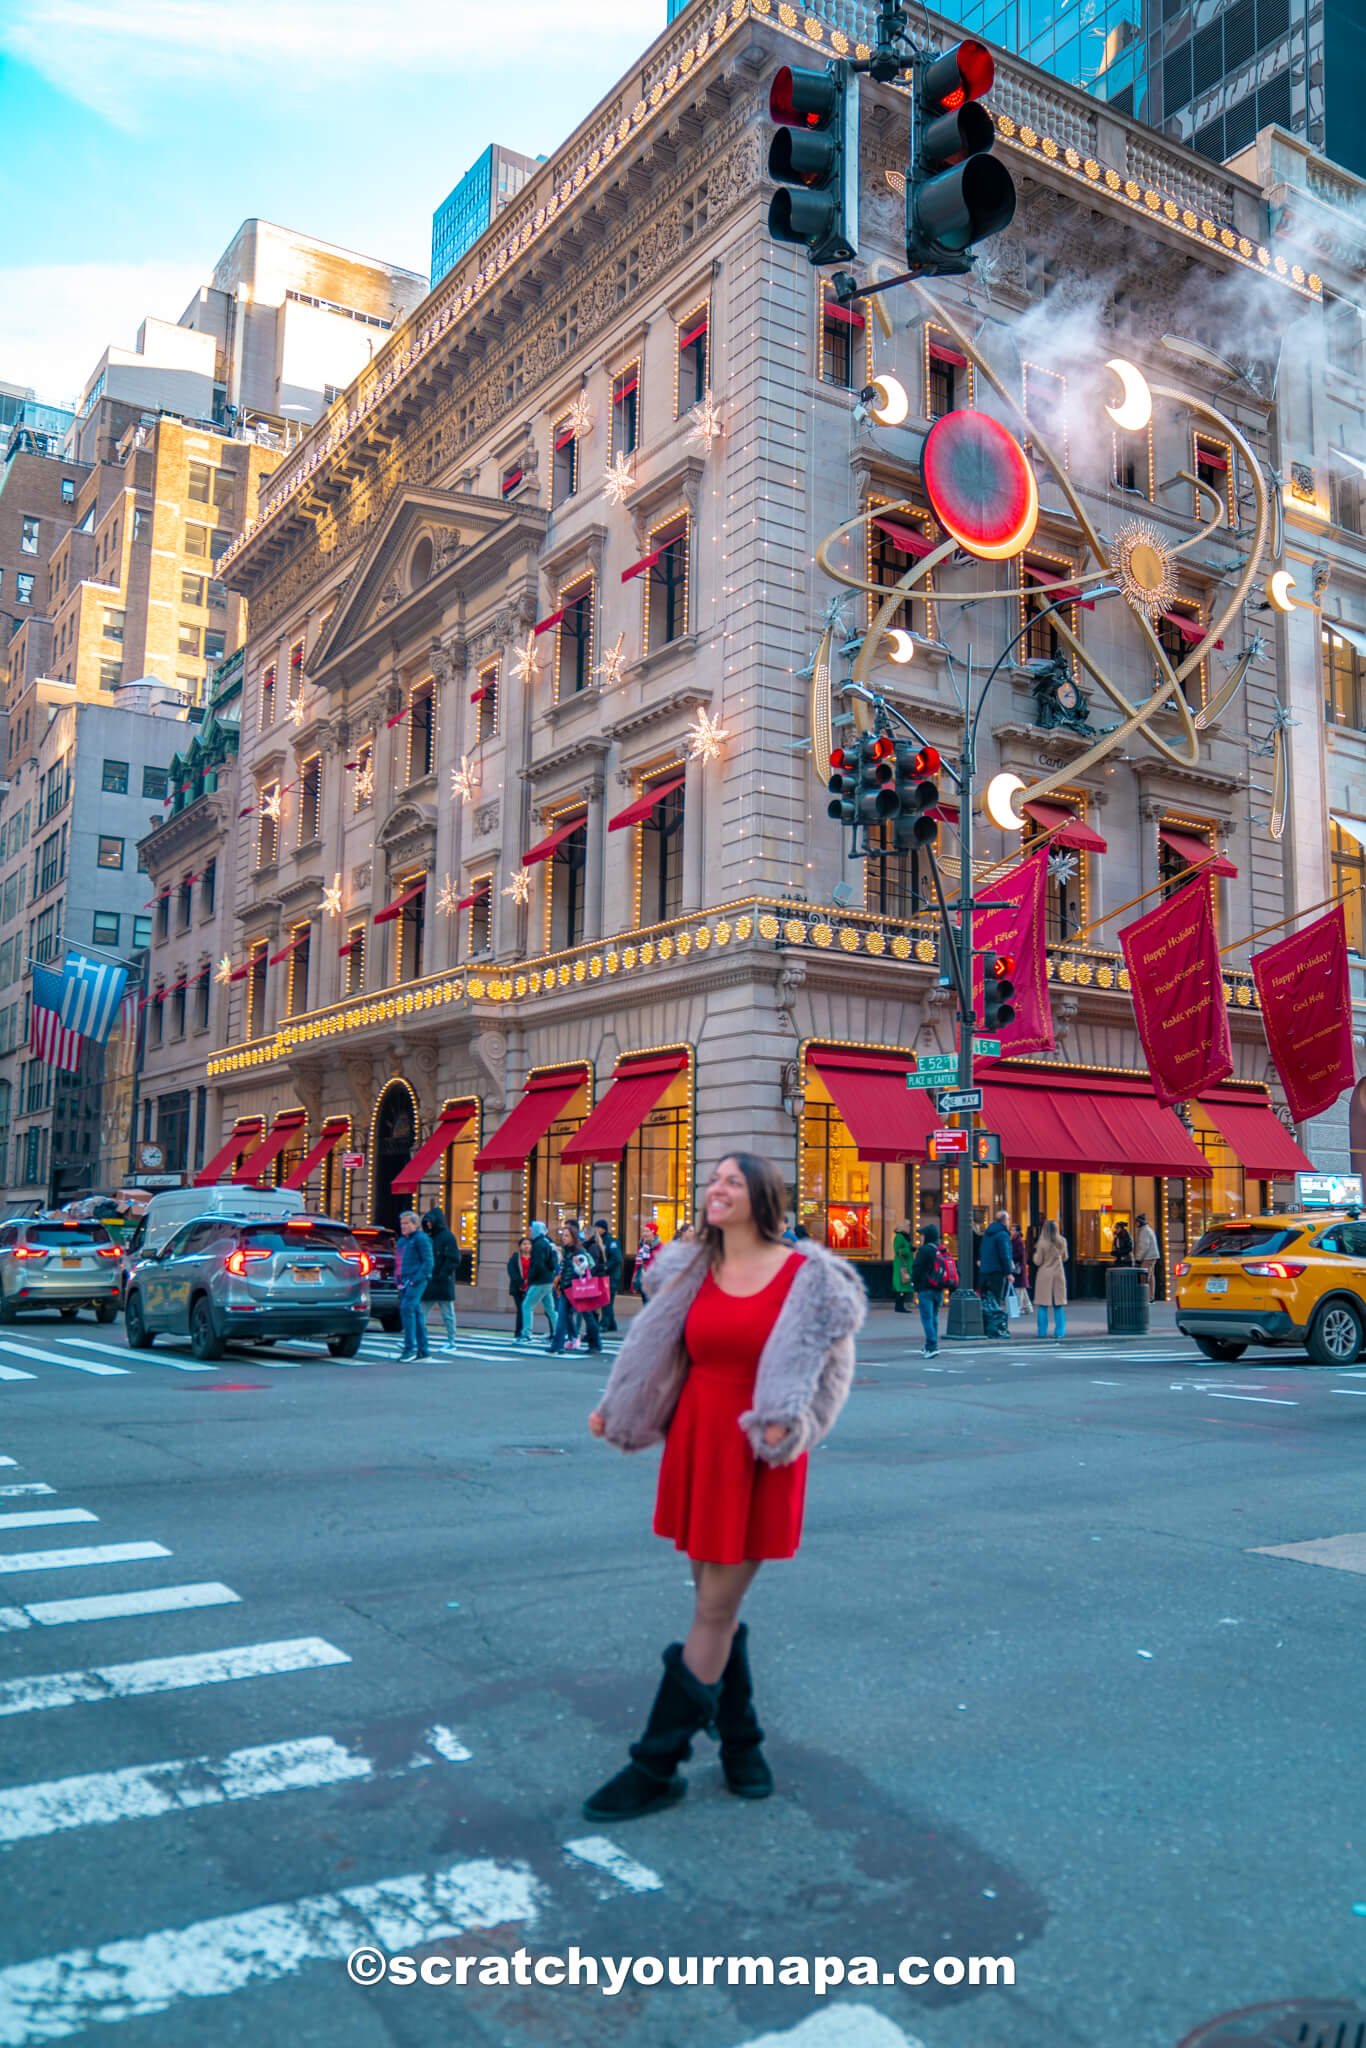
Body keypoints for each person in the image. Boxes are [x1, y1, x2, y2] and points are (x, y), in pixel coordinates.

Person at [584, 1151, 866, 1821]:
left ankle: (655, 1763)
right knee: (713, 1600)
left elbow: (831, 1379)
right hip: (696, 1440)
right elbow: (657, 1350)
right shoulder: (690, 1270)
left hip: (756, 1449)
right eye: (713, 1180)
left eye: (732, 1182)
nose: (717, 1189)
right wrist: (620, 1406)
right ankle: (742, 1744)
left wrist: (794, 1432)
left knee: (712, 1608)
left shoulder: (809, 1278)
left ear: (761, 1198)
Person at [549, 1221, 605, 1355]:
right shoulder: (567, 1250)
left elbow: (584, 1268)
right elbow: (564, 1269)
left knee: (588, 1317)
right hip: (567, 1288)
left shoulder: (578, 1251)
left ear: (573, 1237)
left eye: (567, 1236)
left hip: (578, 1289)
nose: (564, 1238)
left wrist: (576, 1269)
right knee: (562, 1316)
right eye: (563, 1235)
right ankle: (557, 1345)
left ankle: (595, 1344)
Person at [395, 1211, 433, 1361]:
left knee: (407, 1308)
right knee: (416, 1313)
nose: (403, 1227)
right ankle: (423, 1350)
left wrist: (415, 1280)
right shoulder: (402, 1241)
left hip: (415, 1280)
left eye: (406, 1223)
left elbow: (428, 1262)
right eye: (402, 1224)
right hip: (404, 1281)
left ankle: (409, 1348)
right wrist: (397, 1280)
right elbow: (398, 1261)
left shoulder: (421, 1239)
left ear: (415, 1224)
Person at [422, 1207, 461, 1352]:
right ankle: (415, 1339)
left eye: (430, 1222)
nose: (428, 1225)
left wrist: (443, 1273)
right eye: (427, 1222)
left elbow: (454, 1258)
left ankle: (452, 1341)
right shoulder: (429, 1237)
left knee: (447, 1313)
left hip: (442, 1280)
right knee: (422, 1312)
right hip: (433, 1280)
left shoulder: (447, 1237)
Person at [910, 1222, 947, 1356]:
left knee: (926, 1318)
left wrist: (914, 1283)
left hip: (926, 1288)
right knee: (934, 1318)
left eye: (922, 1235)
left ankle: (931, 1346)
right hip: (939, 1288)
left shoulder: (925, 1250)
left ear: (928, 1236)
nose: (920, 1238)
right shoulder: (941, 1249)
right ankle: (930, 1344)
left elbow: (917, 1268)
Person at [979, 1209, 1014, 1338]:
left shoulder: (988, 1234)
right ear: (1004, 1220)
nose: (1009, 1222)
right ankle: (995, 1328)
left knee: (986, 1301)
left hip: (985, 1271)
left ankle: (986, 1326)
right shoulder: (1002, 1235)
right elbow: (1004, 1255)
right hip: (997, 1272)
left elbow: (982, 1250)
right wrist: (1009, 1272)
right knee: (996, 1301)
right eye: (1008, 1219)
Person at [1031, 1218, 1068, 1338]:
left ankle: (1042, 1332)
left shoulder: (1042, 1243)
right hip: (1058, 1273)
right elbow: (1065, 1257)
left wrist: (1034, 1255)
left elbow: (1038, 1261)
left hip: (1044, 1274)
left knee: (1043, 1304)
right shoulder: (1062, 1241)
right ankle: (1060, 1332)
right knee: (1058, 1305)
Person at [593, 1219, 623, 1333]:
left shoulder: (611, 1242)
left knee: (606, 1301)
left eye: (597, 1228)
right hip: (606, 1276)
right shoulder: (600, 1241)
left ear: (602, 1229)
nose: (596, 1230)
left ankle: (605, 1324)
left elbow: (617, 1258)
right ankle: (611, 1324)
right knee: (607, 1301)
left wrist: (605, 1267)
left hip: (611, 1276)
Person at [508, 1236, 532, 1341]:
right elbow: (511, 1271)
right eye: (524, 1244)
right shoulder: (515, 1257)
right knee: (521, 1309)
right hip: (517, 1287)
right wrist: (520, 1283)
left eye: (528, 1244)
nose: (526, 1246)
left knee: (526, 1309)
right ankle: (519, 1332)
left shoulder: (534, 1258)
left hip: (530, 1287)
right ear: (520, 1246)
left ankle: (525, 1331)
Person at [632, 1223, 662, 1297]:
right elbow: (637, 1266)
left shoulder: (660, 1247)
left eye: (647, 1231)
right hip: (643, 1281)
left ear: (653, 1232)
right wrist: (633, 1283)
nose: (644, 1234)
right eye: (644, 1231)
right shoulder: (641, 1247)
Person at [891, 1221, 914, 1314]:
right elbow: (898, 1250)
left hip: (905, 1264)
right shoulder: (899, 1237)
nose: (909, 1228)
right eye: (908, 1226)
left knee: (904, 1284)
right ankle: (899, 1306)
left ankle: (900, 1305)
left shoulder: (904, 1236)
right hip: (902, 1265)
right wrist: (909, 1249)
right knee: (902, 1285)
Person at [1135, 1213, 1160, 1297]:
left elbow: (1143, 1246)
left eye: (1137, 1222)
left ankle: (1144, 1296)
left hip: (1148, 1257)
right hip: (1153, 1255)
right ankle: (1150, 1296)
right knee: (1151, 1276)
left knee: (1144, 1277)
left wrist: (1138, 1258)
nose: (1136, 1224)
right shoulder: (1148, 1229)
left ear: (1140, 1222)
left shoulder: (1144, 1231)